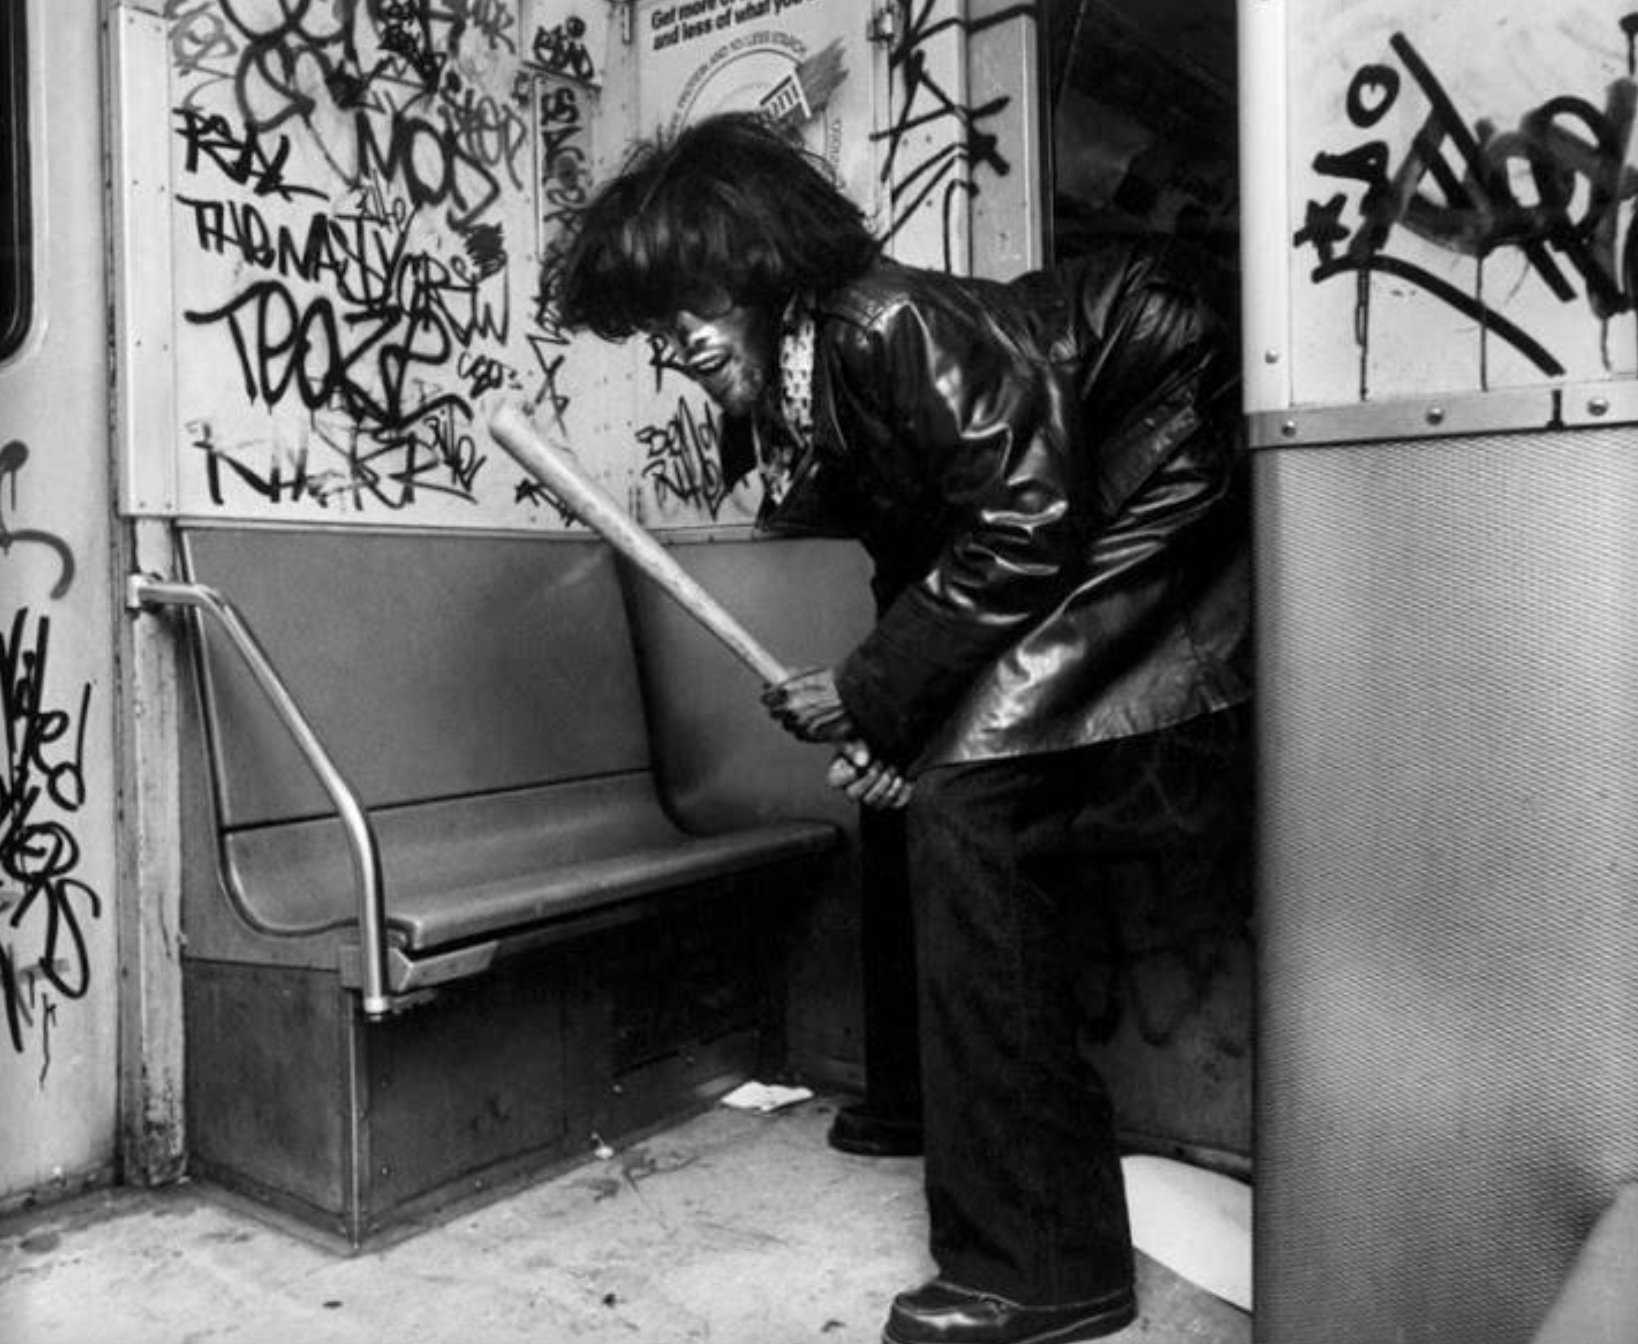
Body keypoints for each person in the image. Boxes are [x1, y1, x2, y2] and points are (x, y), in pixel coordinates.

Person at [552, 111, 1251, 1344]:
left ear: (764, 268)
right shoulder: (808, 391)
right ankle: (916, 1101)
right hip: (1071, 482)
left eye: (694, 304)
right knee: (911, 792)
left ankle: (1043, 1265)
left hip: (1168, 420)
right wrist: (888, 721)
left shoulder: (885, 324)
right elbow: (919, 570)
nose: (679, 342)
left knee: (973, 803)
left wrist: (874, 694)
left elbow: (1025, 523)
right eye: (657, 325)